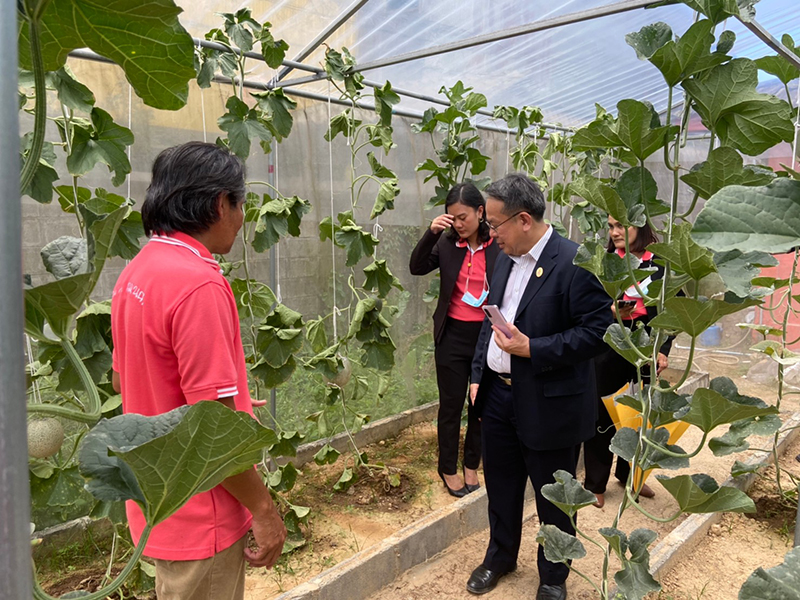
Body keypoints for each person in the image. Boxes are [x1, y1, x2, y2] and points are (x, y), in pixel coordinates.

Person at [110, 142, 286, 600]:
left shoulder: (137, 271)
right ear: (219, 204)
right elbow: (213, 434)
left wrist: (235, 401)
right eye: (241, 203)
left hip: (158, 500)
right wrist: (265, 512)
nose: (242, 217)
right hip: (200, 509)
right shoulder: (199, 283)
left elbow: (125, 378)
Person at [465, 173, 612, 600]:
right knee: (503, 485)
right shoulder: (504, 258)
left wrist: (535, 348)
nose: (490, 235)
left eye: (494, 225)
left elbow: (598, 332)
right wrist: (479, 373)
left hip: (550, 401)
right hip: (497, 394)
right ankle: (500, 556)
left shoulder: (575, 262)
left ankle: (553, 575)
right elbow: (490, 318)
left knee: (554, 495)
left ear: (524, 219)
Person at [410, 183, 500, 497]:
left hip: (486, 338)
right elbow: (417, 267)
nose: (458, 224)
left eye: (463, 217)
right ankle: (448, 467)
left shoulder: (497, 245)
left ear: (480, 212)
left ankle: (472, 463)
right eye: (452, 218)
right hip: (451, 336)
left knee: (479, 404)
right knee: (450, 406)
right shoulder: (447, 244)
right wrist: (432, 233)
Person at [584, 216, 672, 508]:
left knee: (637, 417)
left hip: (646, 350)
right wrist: (608, 309)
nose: (615, 232)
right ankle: (594, 483)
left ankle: (631, 475)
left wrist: (663, 349)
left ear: (641, 225)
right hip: (610, 347)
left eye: (621, 225)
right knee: (604, 415)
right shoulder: (607, 261)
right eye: (610, 226)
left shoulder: (661, 263)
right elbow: (585, 303)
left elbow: (673, 309)